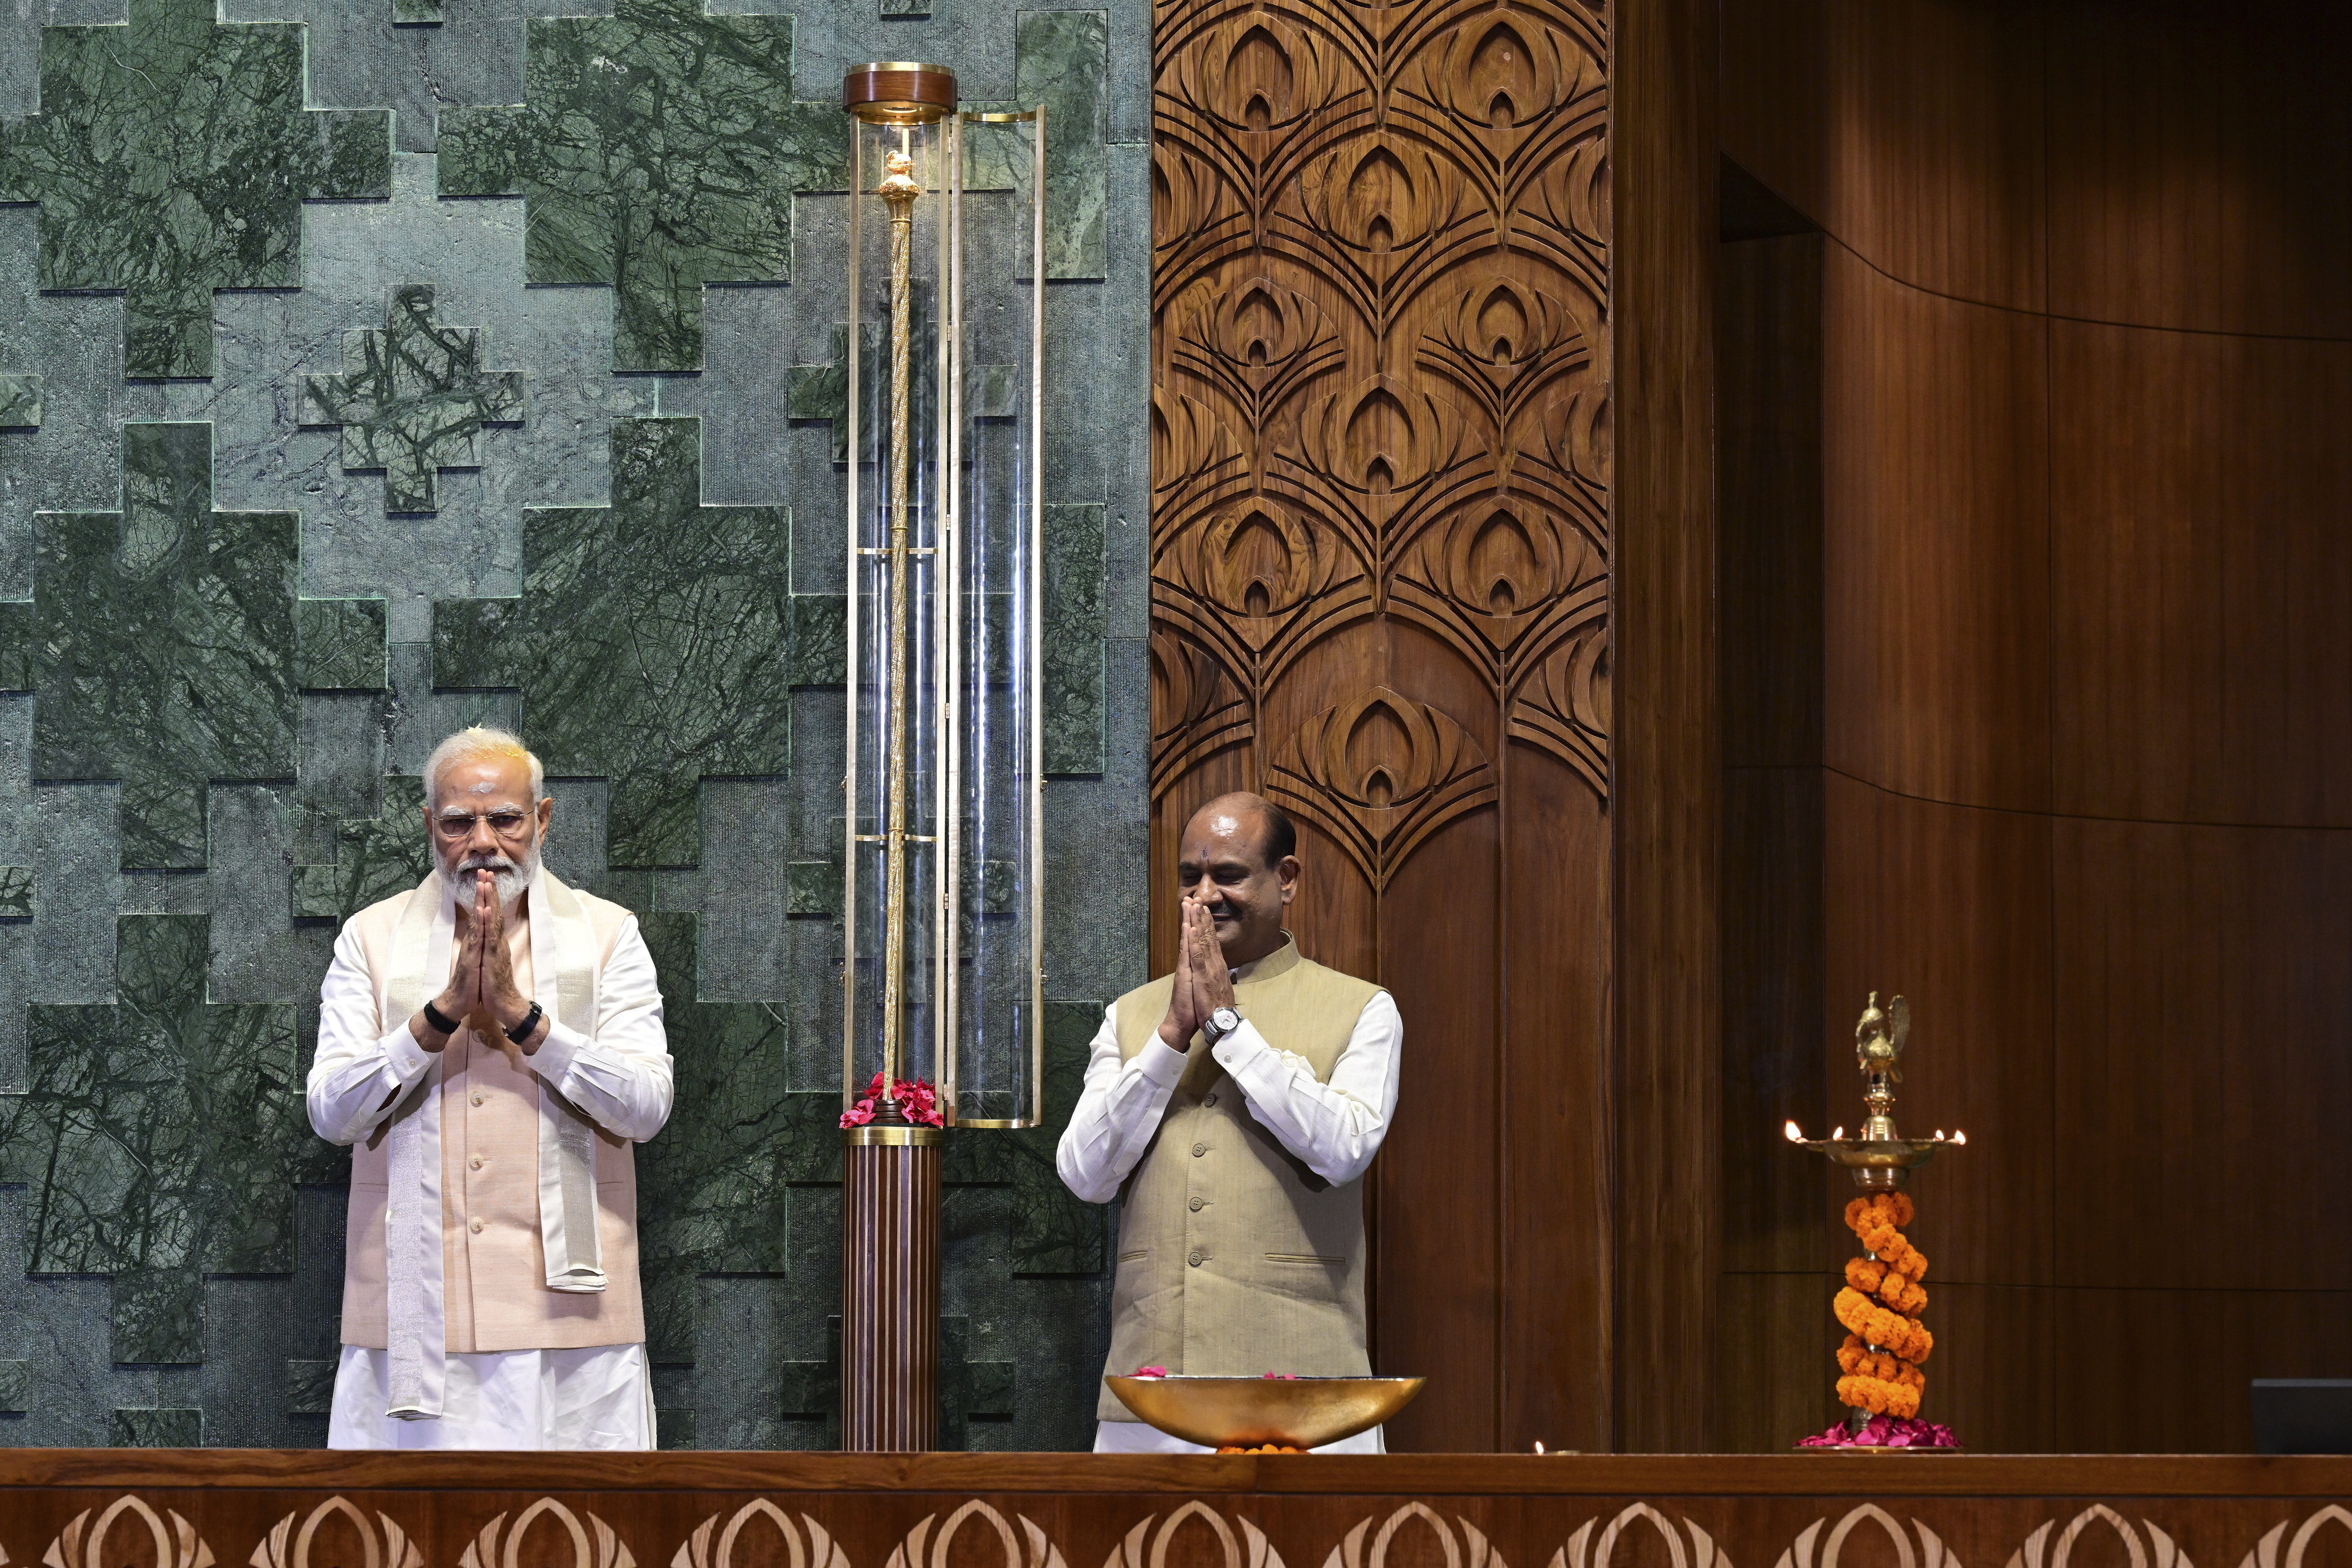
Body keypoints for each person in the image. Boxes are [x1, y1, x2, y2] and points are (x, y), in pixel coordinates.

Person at [306, 726, 673, 1449]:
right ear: (429, 828)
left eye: (504, 818)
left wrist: (523, 1018)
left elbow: (646, 1106)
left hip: (574, 1331)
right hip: (408, 1323)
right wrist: (435, 1018)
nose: (483, 841)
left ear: (541, 819)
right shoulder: (368, 937)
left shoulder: (609, 935)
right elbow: (331, 1113)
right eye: (458, 822)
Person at [1056, 791, 1403, 1453]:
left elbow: (1344, 1149)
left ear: (1288, 879)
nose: (1206, 894)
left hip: (1308, 1397)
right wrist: (1167, 1040)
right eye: (1191, 877)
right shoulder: (1130, 1015)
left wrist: (1229, 1030)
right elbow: (1084, 1175)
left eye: (1230, 875)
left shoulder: (1363, 1008)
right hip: (1150, 1396)